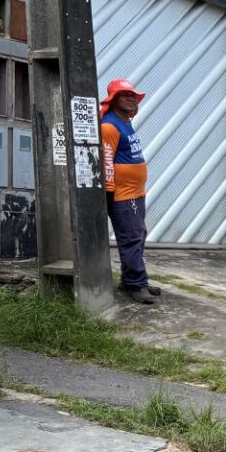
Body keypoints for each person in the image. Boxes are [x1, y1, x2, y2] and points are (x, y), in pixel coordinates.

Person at [99, 78, 159, 305]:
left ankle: (130, 280)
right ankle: (136, 284)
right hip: (123, 195)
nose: (131, 99)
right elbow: (106, 161)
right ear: (113, 100)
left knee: (139, 235)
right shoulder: (109, 126)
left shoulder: (125, 122)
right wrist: (109, 194)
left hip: (136, 193)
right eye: (125, 96)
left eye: (133, 96)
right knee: (132, 238)